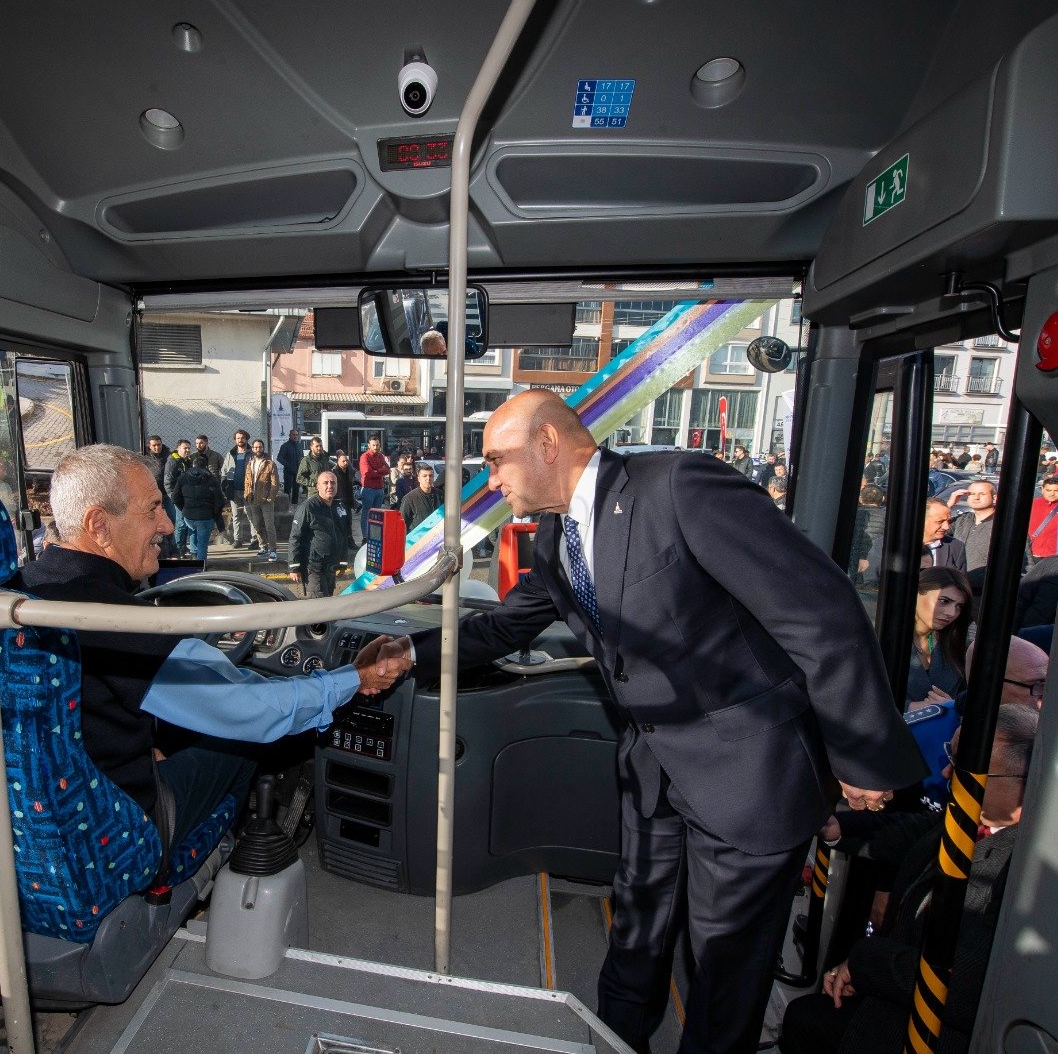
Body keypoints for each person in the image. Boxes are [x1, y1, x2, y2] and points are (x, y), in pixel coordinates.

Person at [377, 389, 925, 1054]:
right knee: (637, 922)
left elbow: (820, 613)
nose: (489, 481)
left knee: (721, 966)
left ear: (548, 444)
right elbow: (500, 627)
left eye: (496, 461)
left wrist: (861, 759)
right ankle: (614, 1038)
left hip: (749, 770)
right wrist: (408, 651)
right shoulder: (555, 539)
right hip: (653, 767)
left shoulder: (680, 487)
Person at [9, 445, 410, 856]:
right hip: (121, 827)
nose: (167, 524)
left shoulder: (18, 594)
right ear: (98, 526)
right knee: (240, 740)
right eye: (152, 510)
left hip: (38, 821)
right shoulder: (117, 620)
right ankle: (233, 856)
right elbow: (254, 709)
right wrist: (354, 678)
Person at [780, 704, 1038, 1054]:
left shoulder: (1020, 873)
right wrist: (835, 827)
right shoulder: (973, 819)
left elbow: (961, 984)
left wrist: (863, 963)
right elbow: (910, 832)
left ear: (1024, 788)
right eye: (952, 756)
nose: (946, 773)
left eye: (965, 767)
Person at [907, 566, 972, 709]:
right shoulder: (881, 639)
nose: (951, 613)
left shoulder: (956, 647)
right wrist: (911, 707)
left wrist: (952, 706)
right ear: (917, 593)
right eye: (944, 601)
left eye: (959, 606)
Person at [289, 470, 352, 598]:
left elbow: (343, 536)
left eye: (333, 483)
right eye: (326, 483)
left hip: (331, 566)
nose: (330, 486)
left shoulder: (339, 507)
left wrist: (343, 562)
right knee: (318, 603)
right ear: (318, 486)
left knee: (327, 601)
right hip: (313, 567)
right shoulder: (308, 507)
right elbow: (295, 537)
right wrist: (294, 567)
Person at [171, 452, 224, 560]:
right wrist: (214, 514)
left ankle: (194, 558)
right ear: (206, 466)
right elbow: (219, 501)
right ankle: (200, 566)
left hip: (189, 515)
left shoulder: (183, 477)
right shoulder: (211, 479)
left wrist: (184, 509)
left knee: (193, 535)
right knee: (202, 545)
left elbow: (175, 498)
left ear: (193, 465)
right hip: (205, 516)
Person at [947, 479, 997, 576]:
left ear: (994, 498)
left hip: (985, 587)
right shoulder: (962, 519)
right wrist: (949, 504)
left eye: (982, 494)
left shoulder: (1003, 525)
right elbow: (931, 529)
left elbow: (1025, 563)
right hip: (957, 584)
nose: (976, 497)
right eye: (972, 494)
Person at [245, 438, 281, 561]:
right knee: (257, 525)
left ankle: (273, 550)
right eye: (255, 447)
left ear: (263, 448)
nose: (257, 449)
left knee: (269, 526)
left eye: (259, 447)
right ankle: (263, 546)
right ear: (252, 449)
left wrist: (270, 498)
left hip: (266, 501)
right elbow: (247, 481)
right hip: (253, 499)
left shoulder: (270, 464)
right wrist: (247, 495)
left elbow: (275, 484)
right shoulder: (250, 463)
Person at [220, 429, 255, 548]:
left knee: (252, 516)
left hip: (249, 490)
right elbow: (224, 471)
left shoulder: (252, 453)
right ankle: (238, 540)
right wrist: (225, 486)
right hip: (234, 491)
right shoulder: (230, 454)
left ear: (246, 439)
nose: (240, 440)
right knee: (236, 517)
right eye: (238, 438)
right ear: (235, 440)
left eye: (242, 438)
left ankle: (254, 540)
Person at [358, 435, 392, 541]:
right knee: (366, 512)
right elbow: (367, 473)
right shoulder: (365, 457)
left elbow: (387, 469)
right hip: (368, 489)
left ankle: (374, 536)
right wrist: (380, 471)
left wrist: (376, 471)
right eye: (374, 445)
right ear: (369, 445)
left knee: (377, 514)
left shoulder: (380, 456)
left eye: (377, 445)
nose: (376, 447)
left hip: (379, 489)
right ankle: (365, 536)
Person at [163, 439, 194, 555]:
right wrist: (174, 498)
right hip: (179, 499)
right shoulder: (173, 462)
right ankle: (178, 550)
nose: (187, 450)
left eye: (189, 448)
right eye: (185, 448)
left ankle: (184, 548)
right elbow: (168, 482)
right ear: (178, 448)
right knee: (181, 524)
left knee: (186, 523)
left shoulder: (187, 461)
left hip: (187, 498)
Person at [921, 497, 968, 572]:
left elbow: (960, 581)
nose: (946, 527)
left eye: (948, 521)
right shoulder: (901, 543)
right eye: (940, 522)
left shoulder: (956, 546)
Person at [1028, 476, 1058, 560]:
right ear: (1042, 489)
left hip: (1053, 555)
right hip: (1031, 553)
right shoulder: (1032, 504)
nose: (1052, 494)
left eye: (1057, 490)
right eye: (1049, 490)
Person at [398, 462, 441, 531]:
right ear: (419, 479)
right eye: (424, 476)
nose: (428, 478)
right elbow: (402, 523)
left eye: (431, 476)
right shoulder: (409, 499)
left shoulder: (440, 494)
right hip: (417, 538)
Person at [331, 451, 359, 540]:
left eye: (347, 461)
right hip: (339, 500)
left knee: (348, 521)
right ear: (337, 461)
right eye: (343, 461)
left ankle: (350, 540)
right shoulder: (334, 471)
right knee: (340, 521)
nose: (346, 463)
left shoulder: (349, 470)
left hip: (348, 499)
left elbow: (354, 471)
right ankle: (342, 541)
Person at [295, 436, 331, 501]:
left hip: (326, 492)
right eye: (317, 446)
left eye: (320, 446)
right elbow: (299, 478)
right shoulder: (306, 460)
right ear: (311, 447)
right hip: (314, 494)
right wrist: (313, 483)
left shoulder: (325, 458)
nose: (319, 448)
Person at [277, 428, 304, 505]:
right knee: (287, 490)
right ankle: (286, 506)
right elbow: (279, 458)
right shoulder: (285, 446)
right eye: (293, 435)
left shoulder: (299, 446)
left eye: (296, 435)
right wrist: (288, 465)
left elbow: (302, 457)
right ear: (290, 435)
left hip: (298, 472)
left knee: (296, 489)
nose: (295, 436)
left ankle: (295, 505)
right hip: (288, 472)